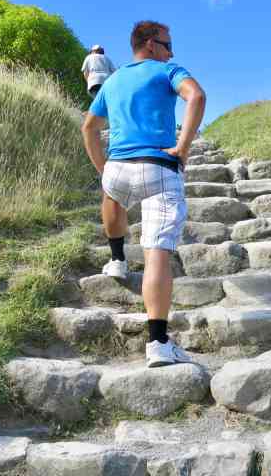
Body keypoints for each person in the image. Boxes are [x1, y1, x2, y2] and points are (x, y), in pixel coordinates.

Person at [81, 21, 206, 368]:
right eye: (167, 44)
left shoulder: (113, 80)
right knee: (157, 257)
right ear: (150, 45)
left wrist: (104, 169)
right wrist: (183, 146)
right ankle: (158, 344)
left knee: (112, 196)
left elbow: (89, 128)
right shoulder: (168, 70)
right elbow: (196, 95)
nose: (172, 51)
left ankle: (117, 259)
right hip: (157, 166)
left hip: (119, 167)